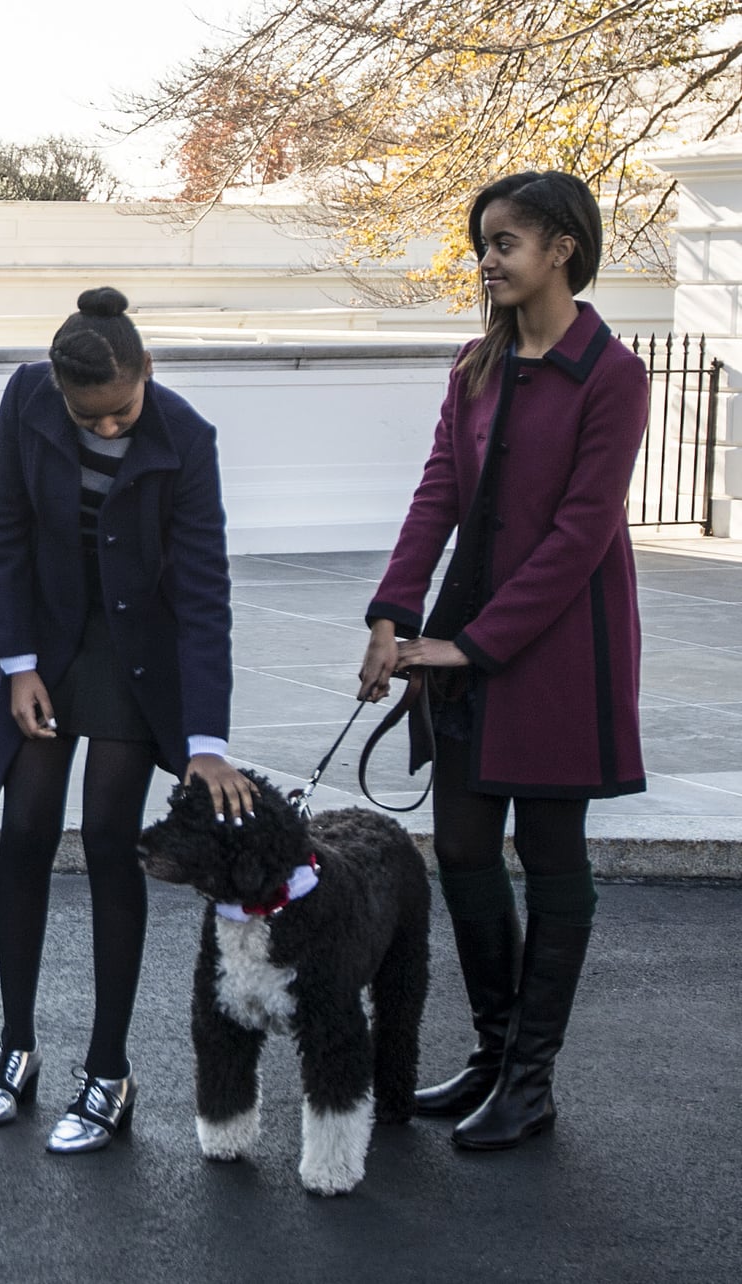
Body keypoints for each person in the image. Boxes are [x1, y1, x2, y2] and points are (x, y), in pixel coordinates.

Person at [358, 171, 649, 1152]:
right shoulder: (474, 365)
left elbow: (580, 534)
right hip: (462, 646)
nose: (488, 257)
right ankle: (492, 1053)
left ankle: (531, 1080)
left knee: (553, 855)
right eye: (484, 240)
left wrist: (469, 644)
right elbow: (436, 492)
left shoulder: (613, 374)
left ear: (563, 246)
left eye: (507, 240)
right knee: (469, 853)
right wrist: (394, 614)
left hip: (562, 648)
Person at [0, 286, 256, 1153]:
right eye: (85, 415)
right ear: (56, 390)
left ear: (147, 374)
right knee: (23, 833)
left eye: (118, 413)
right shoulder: (25, 398)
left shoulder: (186, 438)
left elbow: (204, 592)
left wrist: (206, 742)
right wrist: (16, 664)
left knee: (105, 840)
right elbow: (4, 529)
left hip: (136, 660)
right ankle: (15, 1052)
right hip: (48, 647)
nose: (103, 429)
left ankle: (108, 1071)